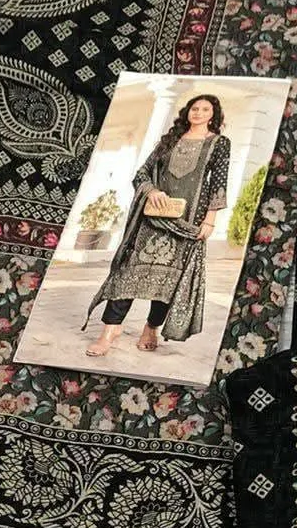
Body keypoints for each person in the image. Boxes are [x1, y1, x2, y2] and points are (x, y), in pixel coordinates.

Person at [84, 94, 230, 355]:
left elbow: (219, 182)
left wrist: (210, 220)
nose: (198, 112)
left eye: (204, 109)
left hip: (189, 220)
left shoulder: (219, 143)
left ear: (213, 115)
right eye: (194, 108)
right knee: (127, 273)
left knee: (170, 279)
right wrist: (151, 191)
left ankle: (151, 328)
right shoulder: (170, 140)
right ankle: (110, 330)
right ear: (187, 112)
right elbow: (142, 172)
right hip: (152, 218)